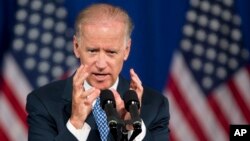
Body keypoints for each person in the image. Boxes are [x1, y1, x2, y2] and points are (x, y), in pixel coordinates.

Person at [26, 3, 170, 141]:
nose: (101, 64)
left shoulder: (154, 106)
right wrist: (75, 124)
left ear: (126, 50)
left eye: (111, 52)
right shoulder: (43, 102)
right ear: (76, 47)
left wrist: (133, 129)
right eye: (93, 51)